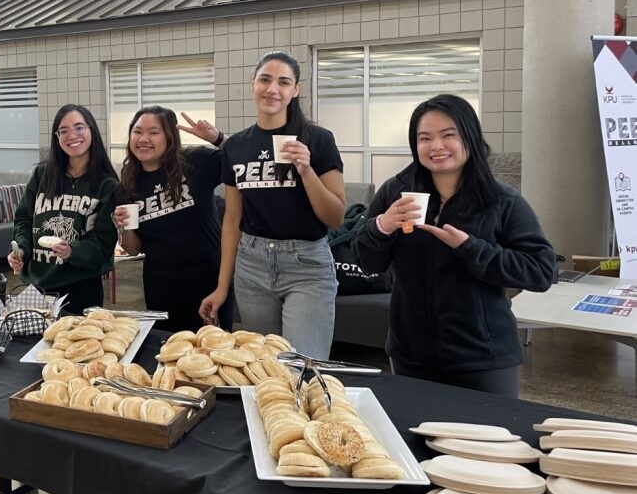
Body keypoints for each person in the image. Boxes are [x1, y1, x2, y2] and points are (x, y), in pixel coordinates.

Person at [354, 94, 556, 398]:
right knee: (415, 441)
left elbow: (541, 271)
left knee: (489, 442)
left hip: (484, 358)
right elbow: (366, 261)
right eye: (425, 138)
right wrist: (382, 226)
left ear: (469, 137)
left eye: (448, 135)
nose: (436, 146)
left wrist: (470, 248)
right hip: (411, 355)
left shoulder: (500, 200)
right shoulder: (396, 192)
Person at [199, 51, 346, 360]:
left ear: (296, 90)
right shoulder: (236, 145)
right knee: (263, 366)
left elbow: (334, 216)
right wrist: (222, 287)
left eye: (283, 82)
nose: (272, 89)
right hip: (252, 264)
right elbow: (232, 220)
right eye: (265, 80)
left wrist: (306, 170)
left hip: (306, 263)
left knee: (302, 366)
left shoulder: (318, 140)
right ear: (253, 85)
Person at [111, 107, 227, 331]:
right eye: (137, 132)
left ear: (169, 137)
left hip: (209, 279)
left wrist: (217, 138)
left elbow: (241, 157)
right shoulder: (126, 187)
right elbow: (133, 249)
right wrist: (123, 227)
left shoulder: (196, 162)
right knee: (167, 349)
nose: (144, 139)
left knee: (213, 349)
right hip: (161, 285)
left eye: (154, 132)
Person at [9, 105, 119, 316]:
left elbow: (104, 243)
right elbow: (23, 219)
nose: (72, 136)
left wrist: (73, 251)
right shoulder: (42, 175)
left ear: (91, 130)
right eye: (64, 131)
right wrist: (21, 249)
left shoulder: (107, 185)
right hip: (37, 286)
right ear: (57, 137)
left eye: (79, 127)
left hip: (81, 288)